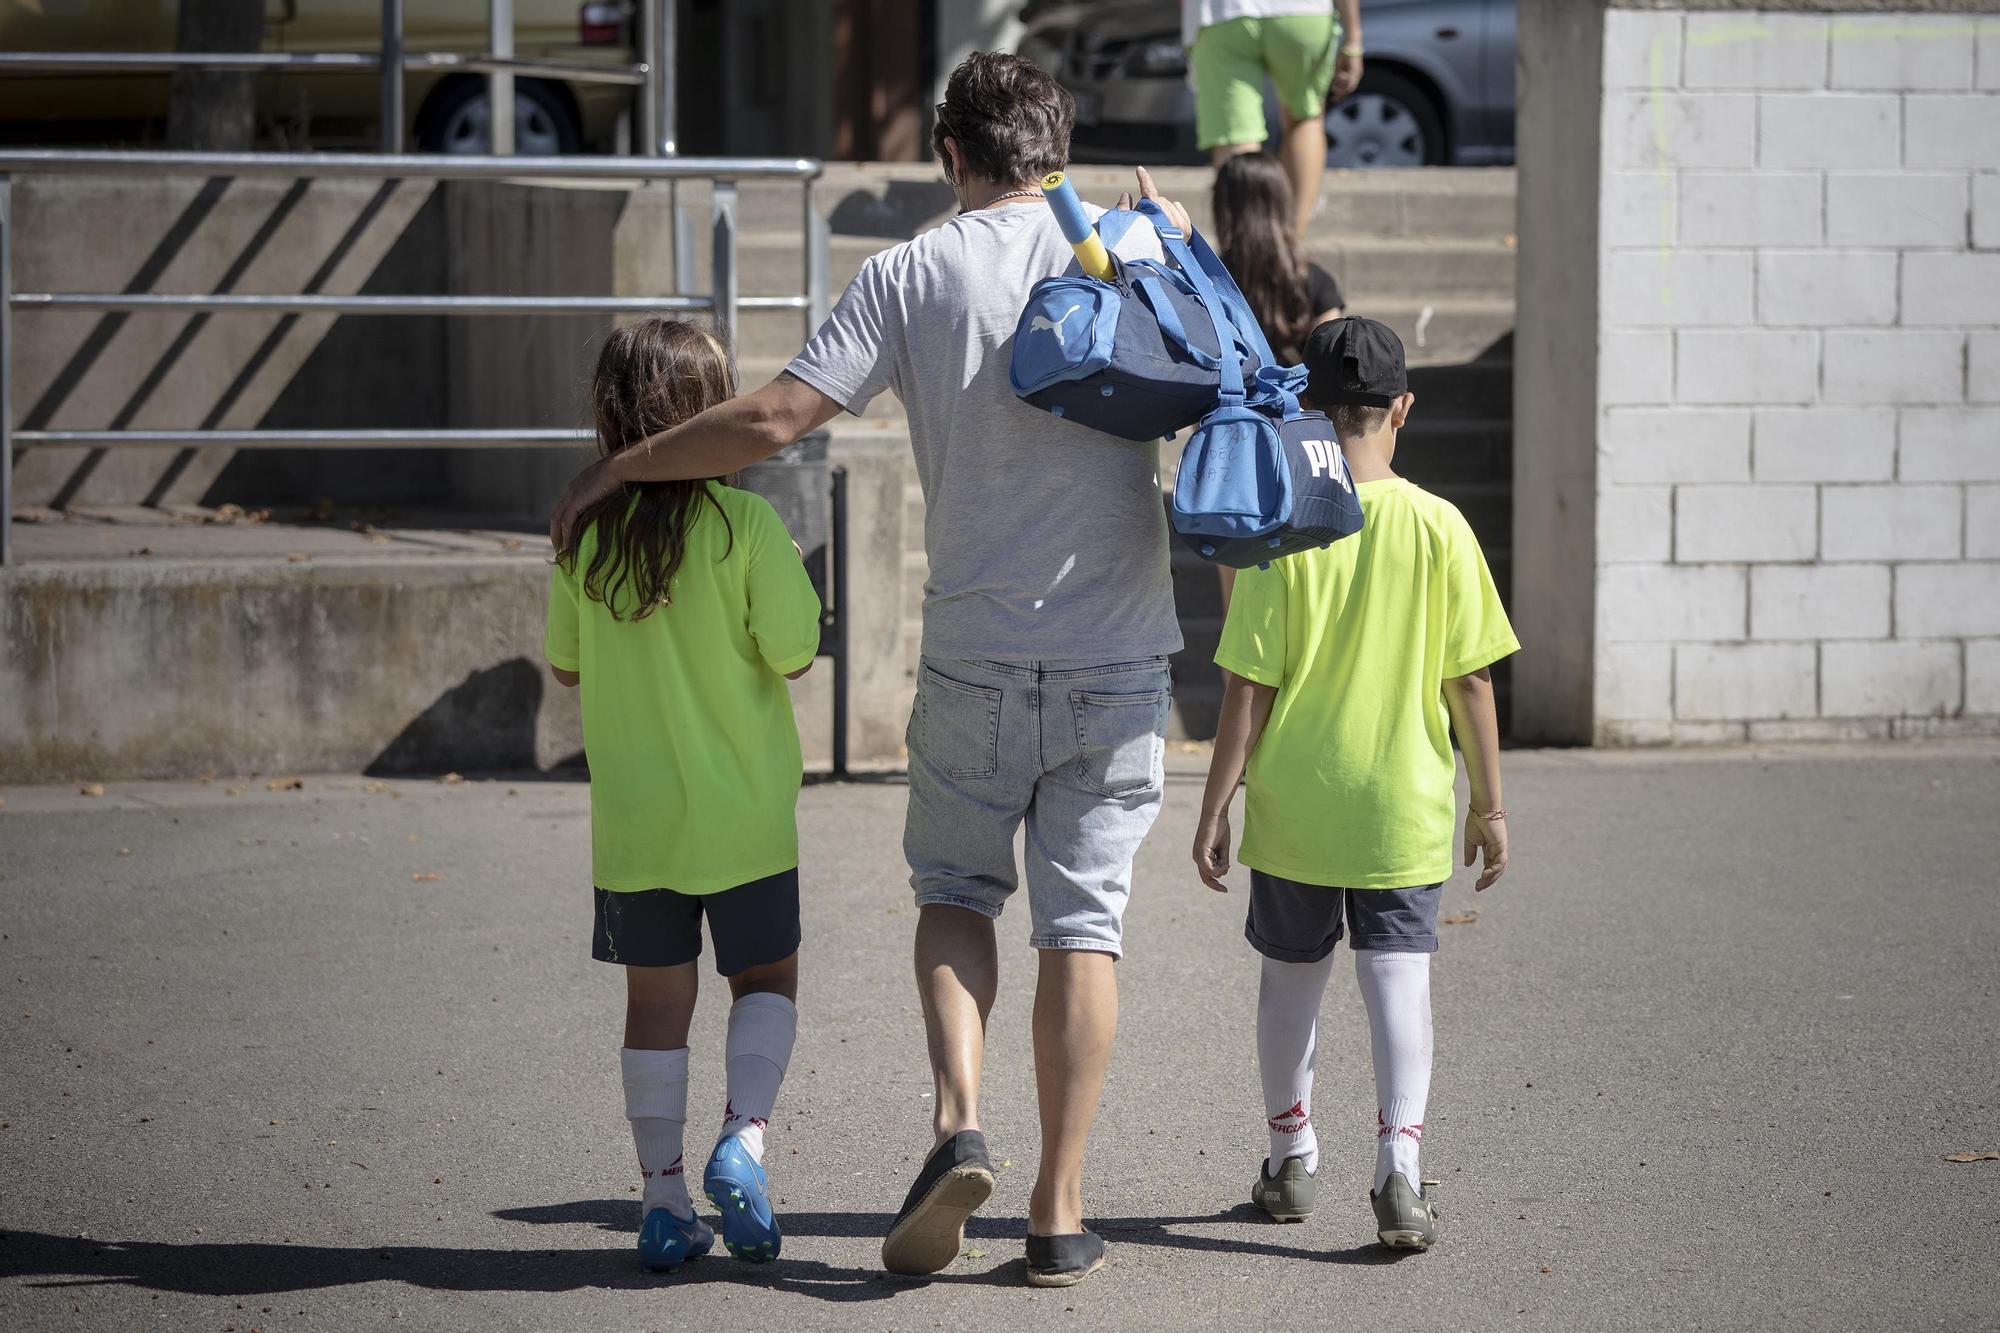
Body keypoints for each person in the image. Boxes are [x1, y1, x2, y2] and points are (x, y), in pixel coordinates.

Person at [549, 54, 1194, 1289]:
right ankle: (1058, 1214)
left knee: (954, 890)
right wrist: (1159, 233)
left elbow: (772, 420)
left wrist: (621, 469)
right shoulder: (1130, 243)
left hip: (974, 652)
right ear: (1053, 150)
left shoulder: (908, 272)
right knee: (1084, 926)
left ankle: (957, 1116)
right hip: (1121, 652)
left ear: (949, 156)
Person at [1190, 316, 1517, 1251]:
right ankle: (1400, 1171)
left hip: (1296, 802)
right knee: (1397, 984)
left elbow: (1246, 687)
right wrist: (1488, 806)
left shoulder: (1283, 528)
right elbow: (1473, 678)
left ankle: (1291, 1157)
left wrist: (1215, 804)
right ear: (1402, 408)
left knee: (1289, 983)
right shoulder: (1442, 527)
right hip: (1402, 804)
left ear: (1308, 413)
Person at [544, 317, 822, 1273]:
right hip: (745, 818)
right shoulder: (745, 528)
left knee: (655, 1007)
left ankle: (663, 1201)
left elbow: (567, 667)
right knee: (768, 981)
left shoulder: (583, 535)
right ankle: (742, 1141)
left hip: (635, 828)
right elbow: (794, 650)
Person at [1210, 150, 1346, 609]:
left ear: (1225, 208)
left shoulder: (1206, 286)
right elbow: (1336, 378)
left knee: (1238, 608)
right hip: (1302, 452)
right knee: (1304, 599)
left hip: (1231, 456)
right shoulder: (1317, 284)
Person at [1184, 0, 1364, 238]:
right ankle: (1291, 247)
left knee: (1236, 136)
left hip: (1222, 15)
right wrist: (1353, 38)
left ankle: (1243, 252)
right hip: (1302, 13)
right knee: (1305, 119)